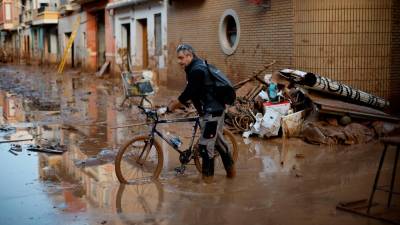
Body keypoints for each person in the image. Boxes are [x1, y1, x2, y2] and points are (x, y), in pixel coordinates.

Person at [167, 44, 236, 182]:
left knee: (205, 147)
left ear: (189, 56)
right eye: (178, 58)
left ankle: (207, 183)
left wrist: (173, 106)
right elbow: (195, 94)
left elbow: (188, 93)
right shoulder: (192, 67)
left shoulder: (197, 70)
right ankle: (231, 174)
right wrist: (200, 112)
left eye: (181, 58)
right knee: (218, 143)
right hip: (211, 110)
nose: (179, 61)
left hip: (213, 111)